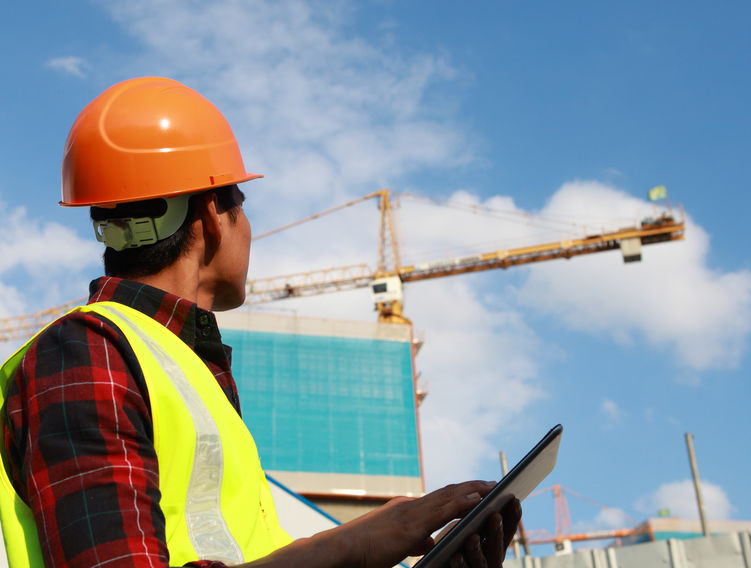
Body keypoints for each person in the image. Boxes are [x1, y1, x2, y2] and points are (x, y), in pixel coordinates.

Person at [0, 77, 520, 568]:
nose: (248, 227)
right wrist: (353, 544)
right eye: (240, 205)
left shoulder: (178, 367)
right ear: (209, 216)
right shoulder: (88, 353)